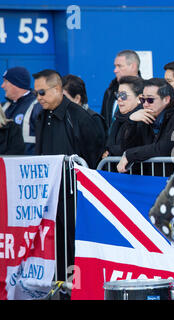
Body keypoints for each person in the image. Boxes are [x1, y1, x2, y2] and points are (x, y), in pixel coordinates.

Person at [33, 69, 105, 283]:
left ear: (57, 90)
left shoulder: (79, 117)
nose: (38, 98)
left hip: (74, 194)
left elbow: (92, 156)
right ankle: (60, 283)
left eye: (42, 92)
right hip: (50, 194)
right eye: (36, 93)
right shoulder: (41, 116)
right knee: (55, 242)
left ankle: (79, 284)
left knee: (75, 242)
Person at [117, 78, 174, 175]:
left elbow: (164, 149)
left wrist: (130, 154)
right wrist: (131, 122)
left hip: (173, 180)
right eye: (142, 99)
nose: (145, 104)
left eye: (150, 100)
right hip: (148, 180)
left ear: (166, 99)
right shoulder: (144, 117)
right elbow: (126, 147)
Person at [62, 74, 107, 160]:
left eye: (64, 97)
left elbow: (95, 155)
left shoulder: (93, 119)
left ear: (77, 98)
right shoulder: (65, 118)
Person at [1, 66, 42, 155]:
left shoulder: (37, 106)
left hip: (28, 164)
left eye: (5, 82)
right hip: (7, 165)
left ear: (16, 84)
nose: (2, 86)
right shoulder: (4, 107)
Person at [102, 76, 143, 160]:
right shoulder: (118, 118)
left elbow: (131, 148)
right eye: (118, 95)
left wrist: (111, 153)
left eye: (123, 95)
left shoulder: (143, 119)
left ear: (139, 98)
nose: (119, 99)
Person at [101, 50, 141, 129]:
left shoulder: (146, 91)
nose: (115, 70)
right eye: (115, 66)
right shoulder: (110, 91)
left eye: (119, 66)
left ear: (133, 66)